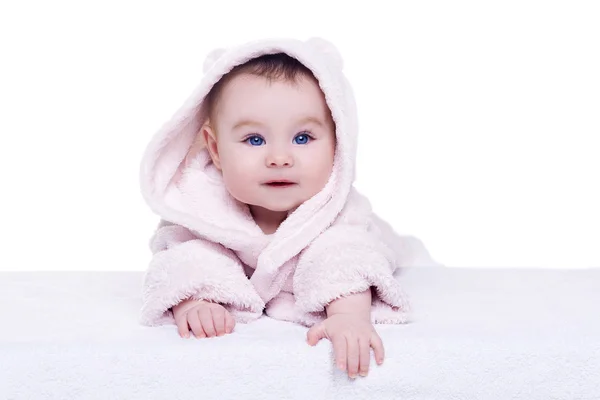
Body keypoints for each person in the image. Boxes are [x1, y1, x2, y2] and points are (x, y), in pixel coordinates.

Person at [139, 37, 439, 379]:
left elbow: (347, 257)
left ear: (337, 144)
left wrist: (347, 314)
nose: (279, 158)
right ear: (216, 149)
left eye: (302, 138)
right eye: (255, 139)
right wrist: (194, 299)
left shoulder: (338, 213)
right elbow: (184, 255)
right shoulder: (200, 208)